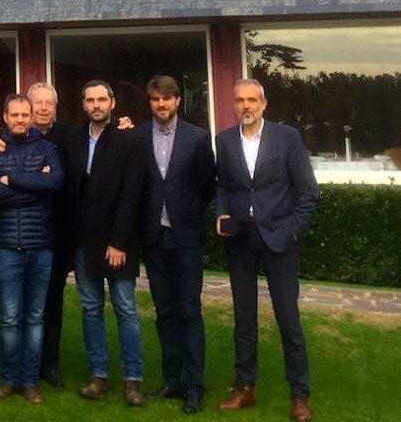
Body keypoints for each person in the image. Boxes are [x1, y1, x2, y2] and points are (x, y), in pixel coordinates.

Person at [215, 79, 318, 422]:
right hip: (240, 240)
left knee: (288, 320)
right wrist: (221, 214)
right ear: (233, 104)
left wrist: (295, 232)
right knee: (244, 321)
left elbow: (307, 190)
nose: (246, 106)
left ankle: (299, 396)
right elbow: (225, 187)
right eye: (240, 100)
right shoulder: (225, 141)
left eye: (251, 100)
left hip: (279, 240)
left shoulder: (287, 138)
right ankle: (244, 388)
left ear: (264, 103)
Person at [64, 80, 148, 407]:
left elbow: (132, 195)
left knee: (126, 309)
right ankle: (98, 375)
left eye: (102, 99)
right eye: (90, 100)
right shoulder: (72, 140)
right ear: (83, 104)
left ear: (113, 103)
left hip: (118, 243)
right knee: (90, 309)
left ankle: (133, 380)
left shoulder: (130, 140)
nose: (96, 105)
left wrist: (118, 241)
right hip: (84, 241)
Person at [137, 75, 216, 415]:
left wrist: (188, 212)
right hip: (153, 237)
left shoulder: (198, 138)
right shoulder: (137, 136)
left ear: (177, 101)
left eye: (167, 99)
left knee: (189, 311)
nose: (162, 105)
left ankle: (194, 386)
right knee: (165, 312)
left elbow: (208, 185)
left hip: (186, 237)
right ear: (150, 101)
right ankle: (172, 380)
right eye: (156, 99)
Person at [0, 93, 63, 404]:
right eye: (14, 115)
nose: (19, 120)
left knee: (34, 317)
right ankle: (8, 378)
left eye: (24, 115)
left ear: (32, 117)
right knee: (10, 317)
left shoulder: (48, 148)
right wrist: (34, 188)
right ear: (5, 116)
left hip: (41, 246)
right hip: (5, 246)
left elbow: (55, 183)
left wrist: (12, 179)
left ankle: (29, 381)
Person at [28, 82, 71, 388]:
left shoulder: (70, 137)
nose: (43, 108)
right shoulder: (15, 136)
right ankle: (22, 359)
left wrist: (125, 127)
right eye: (37, 103)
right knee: (21, 301)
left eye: (49, 103)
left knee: (52, 300)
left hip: (57, 232)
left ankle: (50, 362)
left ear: (56, 106)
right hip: (22, 231)